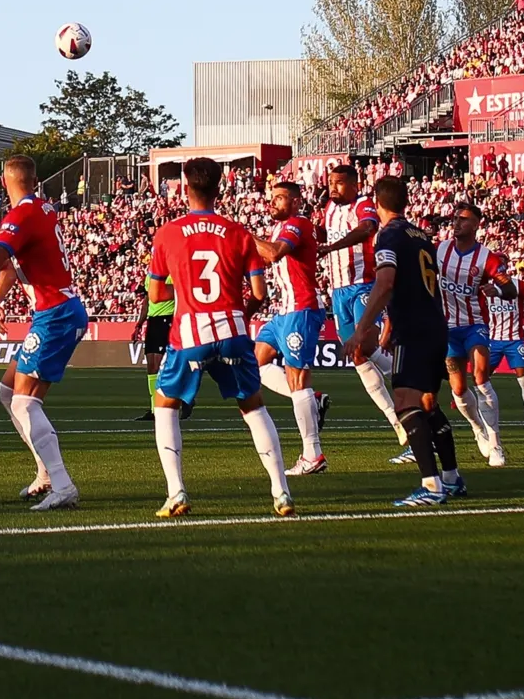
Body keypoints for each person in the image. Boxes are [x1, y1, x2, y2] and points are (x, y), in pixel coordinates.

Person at [142, 157, 295, 518]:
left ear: (184, 187)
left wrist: (184, 297)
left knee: (165, 405)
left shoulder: (167, 233)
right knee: (253, 406)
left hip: (190, 331)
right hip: (232, 329)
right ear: (221, 187)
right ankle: (281, 492)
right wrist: (241, 312)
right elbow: (259, 291)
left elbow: (156, 296)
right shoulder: (239, 233)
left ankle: (176, 492)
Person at [0, 154, 89, 511]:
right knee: (8, 390)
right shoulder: (41, 208)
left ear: (3, 181)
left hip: (55, 313)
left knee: (25, 402)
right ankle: (45, 473)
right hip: (59, 310)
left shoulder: (22, 213)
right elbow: (10, 266)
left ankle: (62, 484)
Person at [344, 175, 463, 507]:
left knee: (405, 403)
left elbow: (385, 284)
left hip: (414, 329)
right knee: (428, 402)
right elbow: (415, 284)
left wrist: (361, 329)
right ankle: (452, 479)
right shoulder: (421, 236)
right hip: (435, 324)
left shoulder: (389, 236)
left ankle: (432, 486)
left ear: (377, 203)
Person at [314, 164, 406, 451]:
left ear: (354, 184)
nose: (333, 187)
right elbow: (321, 234)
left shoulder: (364, 204)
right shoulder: (328, 208)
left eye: (339, 183)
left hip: (363, 284)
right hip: (338, 290)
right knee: (356, 354)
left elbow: (367, 229)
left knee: (364, 342)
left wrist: (332, 248)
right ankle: (396, 420)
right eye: (331, 182)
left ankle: (409, 381)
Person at [249, 179, 330, 475]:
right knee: (255, 362)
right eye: (273, 198)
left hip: (302, 309)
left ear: (295, 202)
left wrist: (243, 236)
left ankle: (313, 455)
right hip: (284, 310)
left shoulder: (297, 224)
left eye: (281, 198)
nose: (274, 203)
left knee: (298, 379)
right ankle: (313, 400)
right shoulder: (280, 227)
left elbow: (273, 254)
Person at [434, 201, 513, 469]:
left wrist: (498, 290)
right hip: (447, 329)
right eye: (455, 218)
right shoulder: (441, 250)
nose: (457, 222)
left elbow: (510, 289)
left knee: (481, 376)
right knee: (458, 388)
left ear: (476, 224)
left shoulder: (486, 258)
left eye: (464, 219)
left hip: (475, 325)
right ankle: (478, 427)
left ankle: (496, 443)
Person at [482, 261, 524, 430]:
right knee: (482, 379)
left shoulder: (517, 285)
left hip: (514, 340)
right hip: (493, 340)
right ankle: (481, 413)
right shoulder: (485, 287)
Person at [131, 267, 178, 422]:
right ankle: (153, 408)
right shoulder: (151, 274)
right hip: (153, 322)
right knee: (151, 366)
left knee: (162, 365)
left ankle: (179, 400)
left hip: (168, 320)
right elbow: (147, 300)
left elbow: (177, 295)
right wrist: (139, 323)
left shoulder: (173, 272)